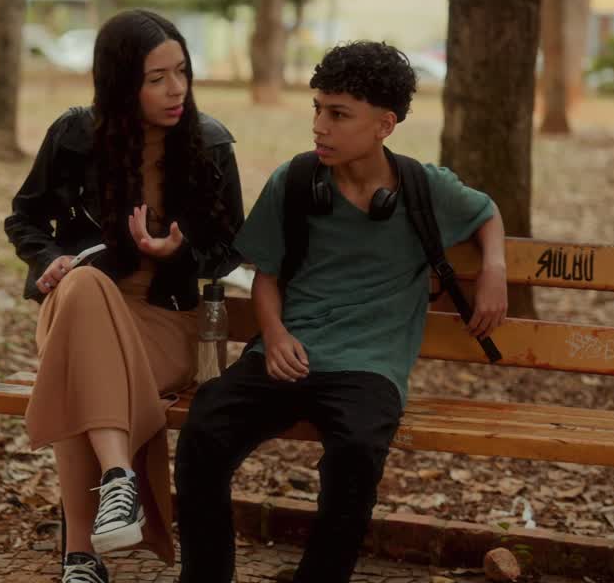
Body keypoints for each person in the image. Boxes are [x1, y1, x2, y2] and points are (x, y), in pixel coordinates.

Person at [174, 41, 509, 583]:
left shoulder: (423, 189)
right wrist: (274, 334)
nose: (320, 127)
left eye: (338, 114)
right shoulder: (298, 181)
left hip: (369, 368)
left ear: (384, 124)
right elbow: (267, 275)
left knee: (355, 454)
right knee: (205, 430)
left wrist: (493, 268)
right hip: (287, 352)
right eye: (317, 109)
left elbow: (487, 210)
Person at [5, 9, 245, 583]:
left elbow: (230, 249)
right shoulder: (73, 138)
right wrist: (49, 259)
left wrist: (176, 253)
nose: (176, 89)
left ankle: (82, 556)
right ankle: (118, 482)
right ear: (120, 82)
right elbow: (25, 219)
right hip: (80, 305)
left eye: (181, 72)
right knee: (85, 284)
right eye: (156, 78)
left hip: (164, 321)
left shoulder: (209, 146)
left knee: (70, 367)